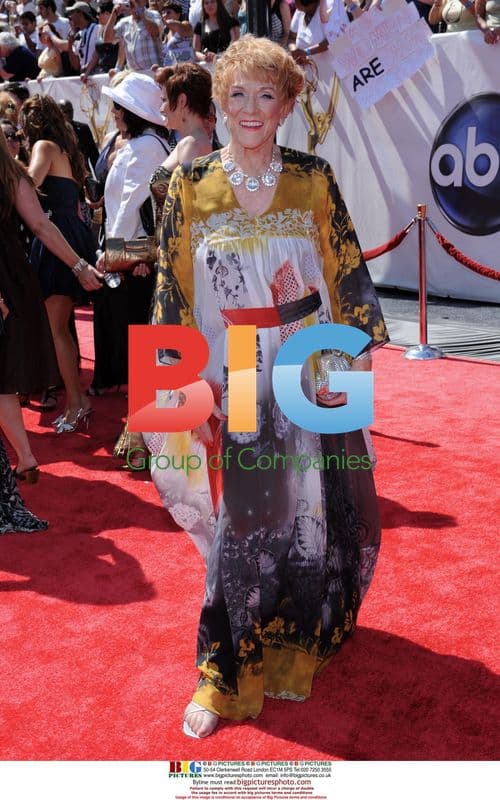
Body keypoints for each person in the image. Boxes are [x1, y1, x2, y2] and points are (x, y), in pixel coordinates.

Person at [147, 35, 389, 738]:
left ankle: (293, 644)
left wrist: (360, 354)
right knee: (244, 525)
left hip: (309, 361)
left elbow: (345, 270)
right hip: (237, 374)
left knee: (311, 513)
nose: (251, 108)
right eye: (237, 94)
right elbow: (171, 290)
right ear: (217, 104)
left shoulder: (312, 178)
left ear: (286, 105)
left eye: (266, 95)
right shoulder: (189, 188)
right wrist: (180, 392)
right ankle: (223, 674)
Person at [0, 126, 98, 488]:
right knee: (3, 378)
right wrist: (78, 265)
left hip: (7, 281)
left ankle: (25, 456)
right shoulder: (14, 174)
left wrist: (77, 265)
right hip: (14, 276)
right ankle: (25, 457)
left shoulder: (13, 175)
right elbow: (41, 225)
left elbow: (43, 225)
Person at [19, 95, 102, 434]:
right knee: (61, 328)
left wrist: (11, 165)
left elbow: (30, 182)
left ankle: (76, 402)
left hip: (56, 239)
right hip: (69, 234)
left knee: (57, 330)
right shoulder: (65, 150)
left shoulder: (43, 146)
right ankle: (77, 399)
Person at [90, 74, 169, 409]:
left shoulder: (146, 145)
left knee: (141, 339)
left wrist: (113, 254)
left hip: (140, 250)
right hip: (137, 251)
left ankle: (145, 425)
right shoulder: (144, 143)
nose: (115, 112)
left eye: (120, 106)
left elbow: (130, 203)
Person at [103, 0, 164, 72]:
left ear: (145, 2)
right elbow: (107, 39)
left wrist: (139, 10)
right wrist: (114, 14)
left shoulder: (153, 14)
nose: (133, 3)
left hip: (153, 72)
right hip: (134, 74)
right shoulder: (123, 22)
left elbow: (155, 33)